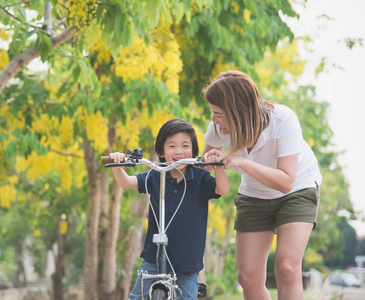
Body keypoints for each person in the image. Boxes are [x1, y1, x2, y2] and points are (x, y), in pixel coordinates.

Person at [201, 70, 322, 300]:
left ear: (237, 111)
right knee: (247, 277)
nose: (214, 120)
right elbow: (203, 167)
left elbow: (286, 181)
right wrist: (209, 162)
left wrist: (242, 162)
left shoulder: (283, 119)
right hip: (254, 194)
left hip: (297, 188)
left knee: (286, 268)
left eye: (218, 114)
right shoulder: (218, 128)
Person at [109, 118, 229, 299]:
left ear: (193, 151)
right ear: (161, 152)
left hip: (188, 263)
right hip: (153, 259)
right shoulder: (155, 174)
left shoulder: (199, 177)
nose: (179, 151)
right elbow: (126, 182)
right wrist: (118, 165)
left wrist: (218, 166)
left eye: (185, 146)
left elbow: (223, 189)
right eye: (171, 146)